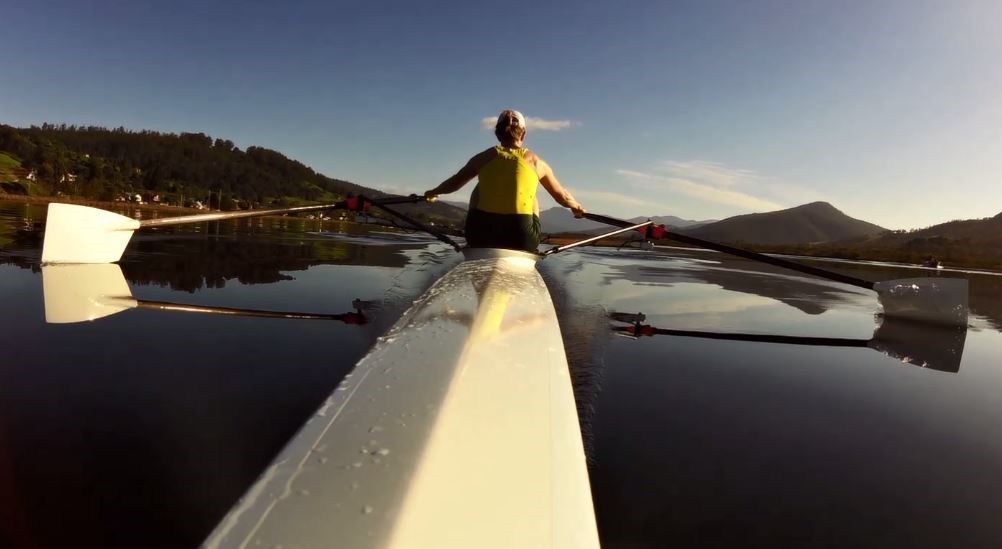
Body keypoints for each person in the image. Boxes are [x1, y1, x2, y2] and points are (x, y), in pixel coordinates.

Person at [423, 109, 586, 252]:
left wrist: (433, 192)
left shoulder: (483, 158)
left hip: (481, 237)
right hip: (522, 240)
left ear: (497, 133)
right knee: (532, 197)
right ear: (523, 133)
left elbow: (454, 184)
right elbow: (562, 197)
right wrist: (576, 207)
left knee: (479, 188)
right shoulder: (537, 162)